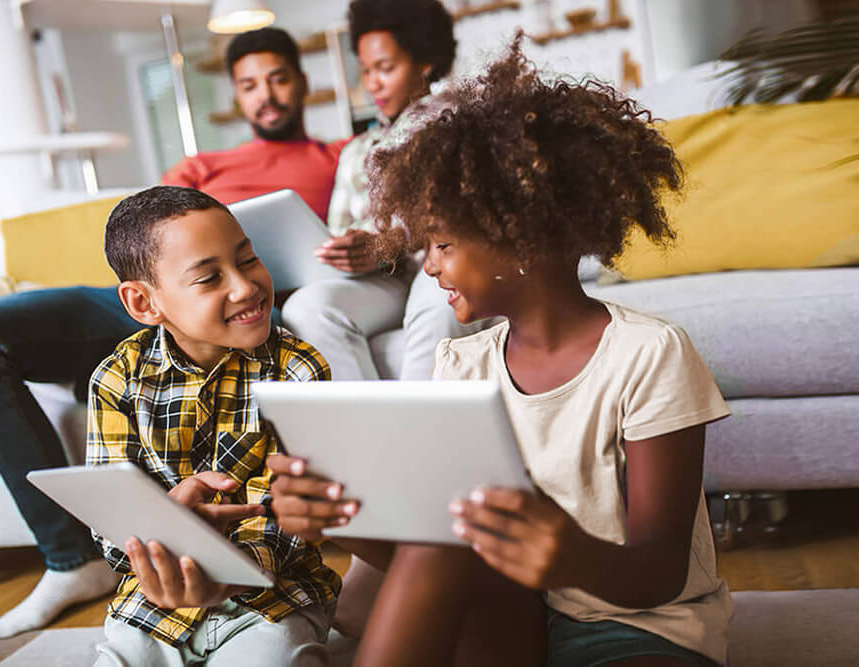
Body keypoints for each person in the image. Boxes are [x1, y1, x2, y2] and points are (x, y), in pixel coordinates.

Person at [268, 33, 733, 667]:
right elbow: (427, 550)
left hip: (636, 623)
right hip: (516, 613)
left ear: (523, 238)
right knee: (438, 548)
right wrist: (337, 517)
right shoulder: (463, 362)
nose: (427, 265)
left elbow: (659, 574)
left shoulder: (647, 355)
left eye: (443, 244)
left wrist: (568, 552)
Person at [0, 26, 344, 639]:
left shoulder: (333, 158)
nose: (266, 95)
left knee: (237, 340)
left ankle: (87, 552)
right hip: (159, 291)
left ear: (302, 82)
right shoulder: (204, 165)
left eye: (278, 79)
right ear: (234, 92)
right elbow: (148, 229)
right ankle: (76, 558)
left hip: (251, 308)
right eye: (249, 85)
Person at [87, 185, 338, 666]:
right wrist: (165, 534)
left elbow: (293, 516)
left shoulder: (299, 368)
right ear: (143, 303)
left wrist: (228, 566)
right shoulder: (115, 379)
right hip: (155, 604)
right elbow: (111, 523)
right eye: (208, 278)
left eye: (248, 260)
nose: (245, 286)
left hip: (274, 599)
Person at [281, 0, 487, 383]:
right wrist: (340, 251)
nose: (372, 83)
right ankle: (364, 430)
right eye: (366, 71)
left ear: (424, 61)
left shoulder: (455, 124)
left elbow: (457, 217)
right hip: (382, 281)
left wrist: (385, 244)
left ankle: (416, 427)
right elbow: (340, 230)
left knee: (441, 294)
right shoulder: (357, 150)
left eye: (386, 68)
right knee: (306, 307)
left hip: (438, 264)